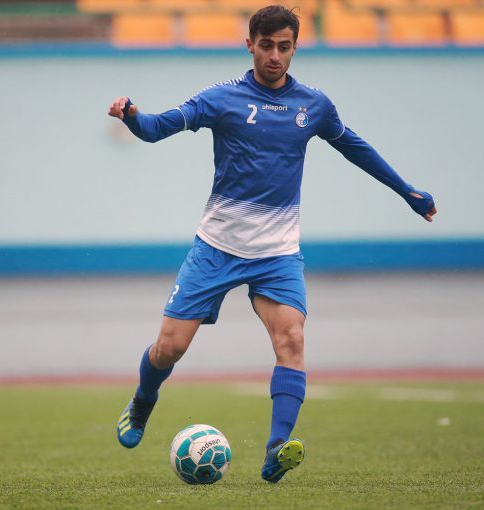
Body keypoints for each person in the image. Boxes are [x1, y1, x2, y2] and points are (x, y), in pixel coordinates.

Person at [107, 4, 436, 483]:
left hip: (277, 253)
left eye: (285, 47)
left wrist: (407, 191)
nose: (275, 56)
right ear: (250, 45)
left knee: (292, 339)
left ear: (295, 47)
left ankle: (277, 448)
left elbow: (356, 148)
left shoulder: (314, 105)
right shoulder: (222, 98)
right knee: (168, 349)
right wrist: (133, 116)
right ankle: (142, 402)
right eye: (267, 46)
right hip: (217, 248)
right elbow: (158, 128)